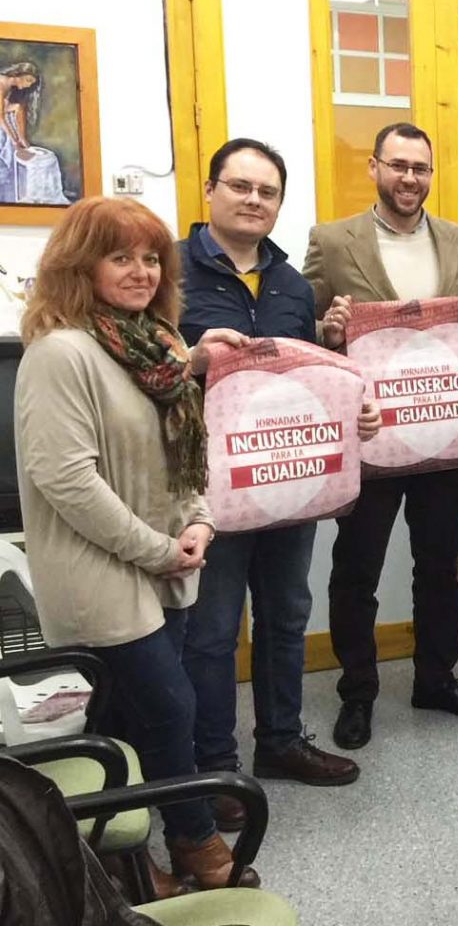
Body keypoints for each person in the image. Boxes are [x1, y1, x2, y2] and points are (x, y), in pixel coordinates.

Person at [15, 195, 258, 893]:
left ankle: (103, 853)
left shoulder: (161, 347)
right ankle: (194, 842)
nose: (141, 271)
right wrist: (158, 548)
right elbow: (66, 479)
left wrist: (202, 521)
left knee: (121, 718)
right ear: (78, 265)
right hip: (102, 573)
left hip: (167, 564)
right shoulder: (61, 353)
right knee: (170, 707)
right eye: (120, 256)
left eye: (151, 257)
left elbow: (187, 455)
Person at [179, 138, 375, 821]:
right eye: (240, 186)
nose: (254, 200)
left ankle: (281, 743)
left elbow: (311, 374)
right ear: (210, 191)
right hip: (208, 489)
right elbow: (142, 374)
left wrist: (355, 413)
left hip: (290, 483)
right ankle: (213, 769)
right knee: (211, 629)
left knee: (287, 617)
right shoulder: (172, 274)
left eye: (267, 191)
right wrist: (192, 360)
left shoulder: (293, 284)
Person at [304, 122, 458, 750]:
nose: (410, 179)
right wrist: (327, 329)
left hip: (446, 438)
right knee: (355, 571)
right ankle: (358, 693)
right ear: (373, 168)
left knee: (440, 568)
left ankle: (436, 679)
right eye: (398, 166)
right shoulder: (333, 241)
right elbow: (302, 329)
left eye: (421, 168)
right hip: (369, 438)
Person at [0, 60, 67, 204]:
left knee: (20, 107)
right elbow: (0, 117)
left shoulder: (10, 88)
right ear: (19, 74)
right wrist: (13, 139)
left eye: (31, 82)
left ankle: (23, 140)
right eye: (28, 80)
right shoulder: (1, 84)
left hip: (6, 117)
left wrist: (20, 136)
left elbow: (8, 109)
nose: (29, 85)